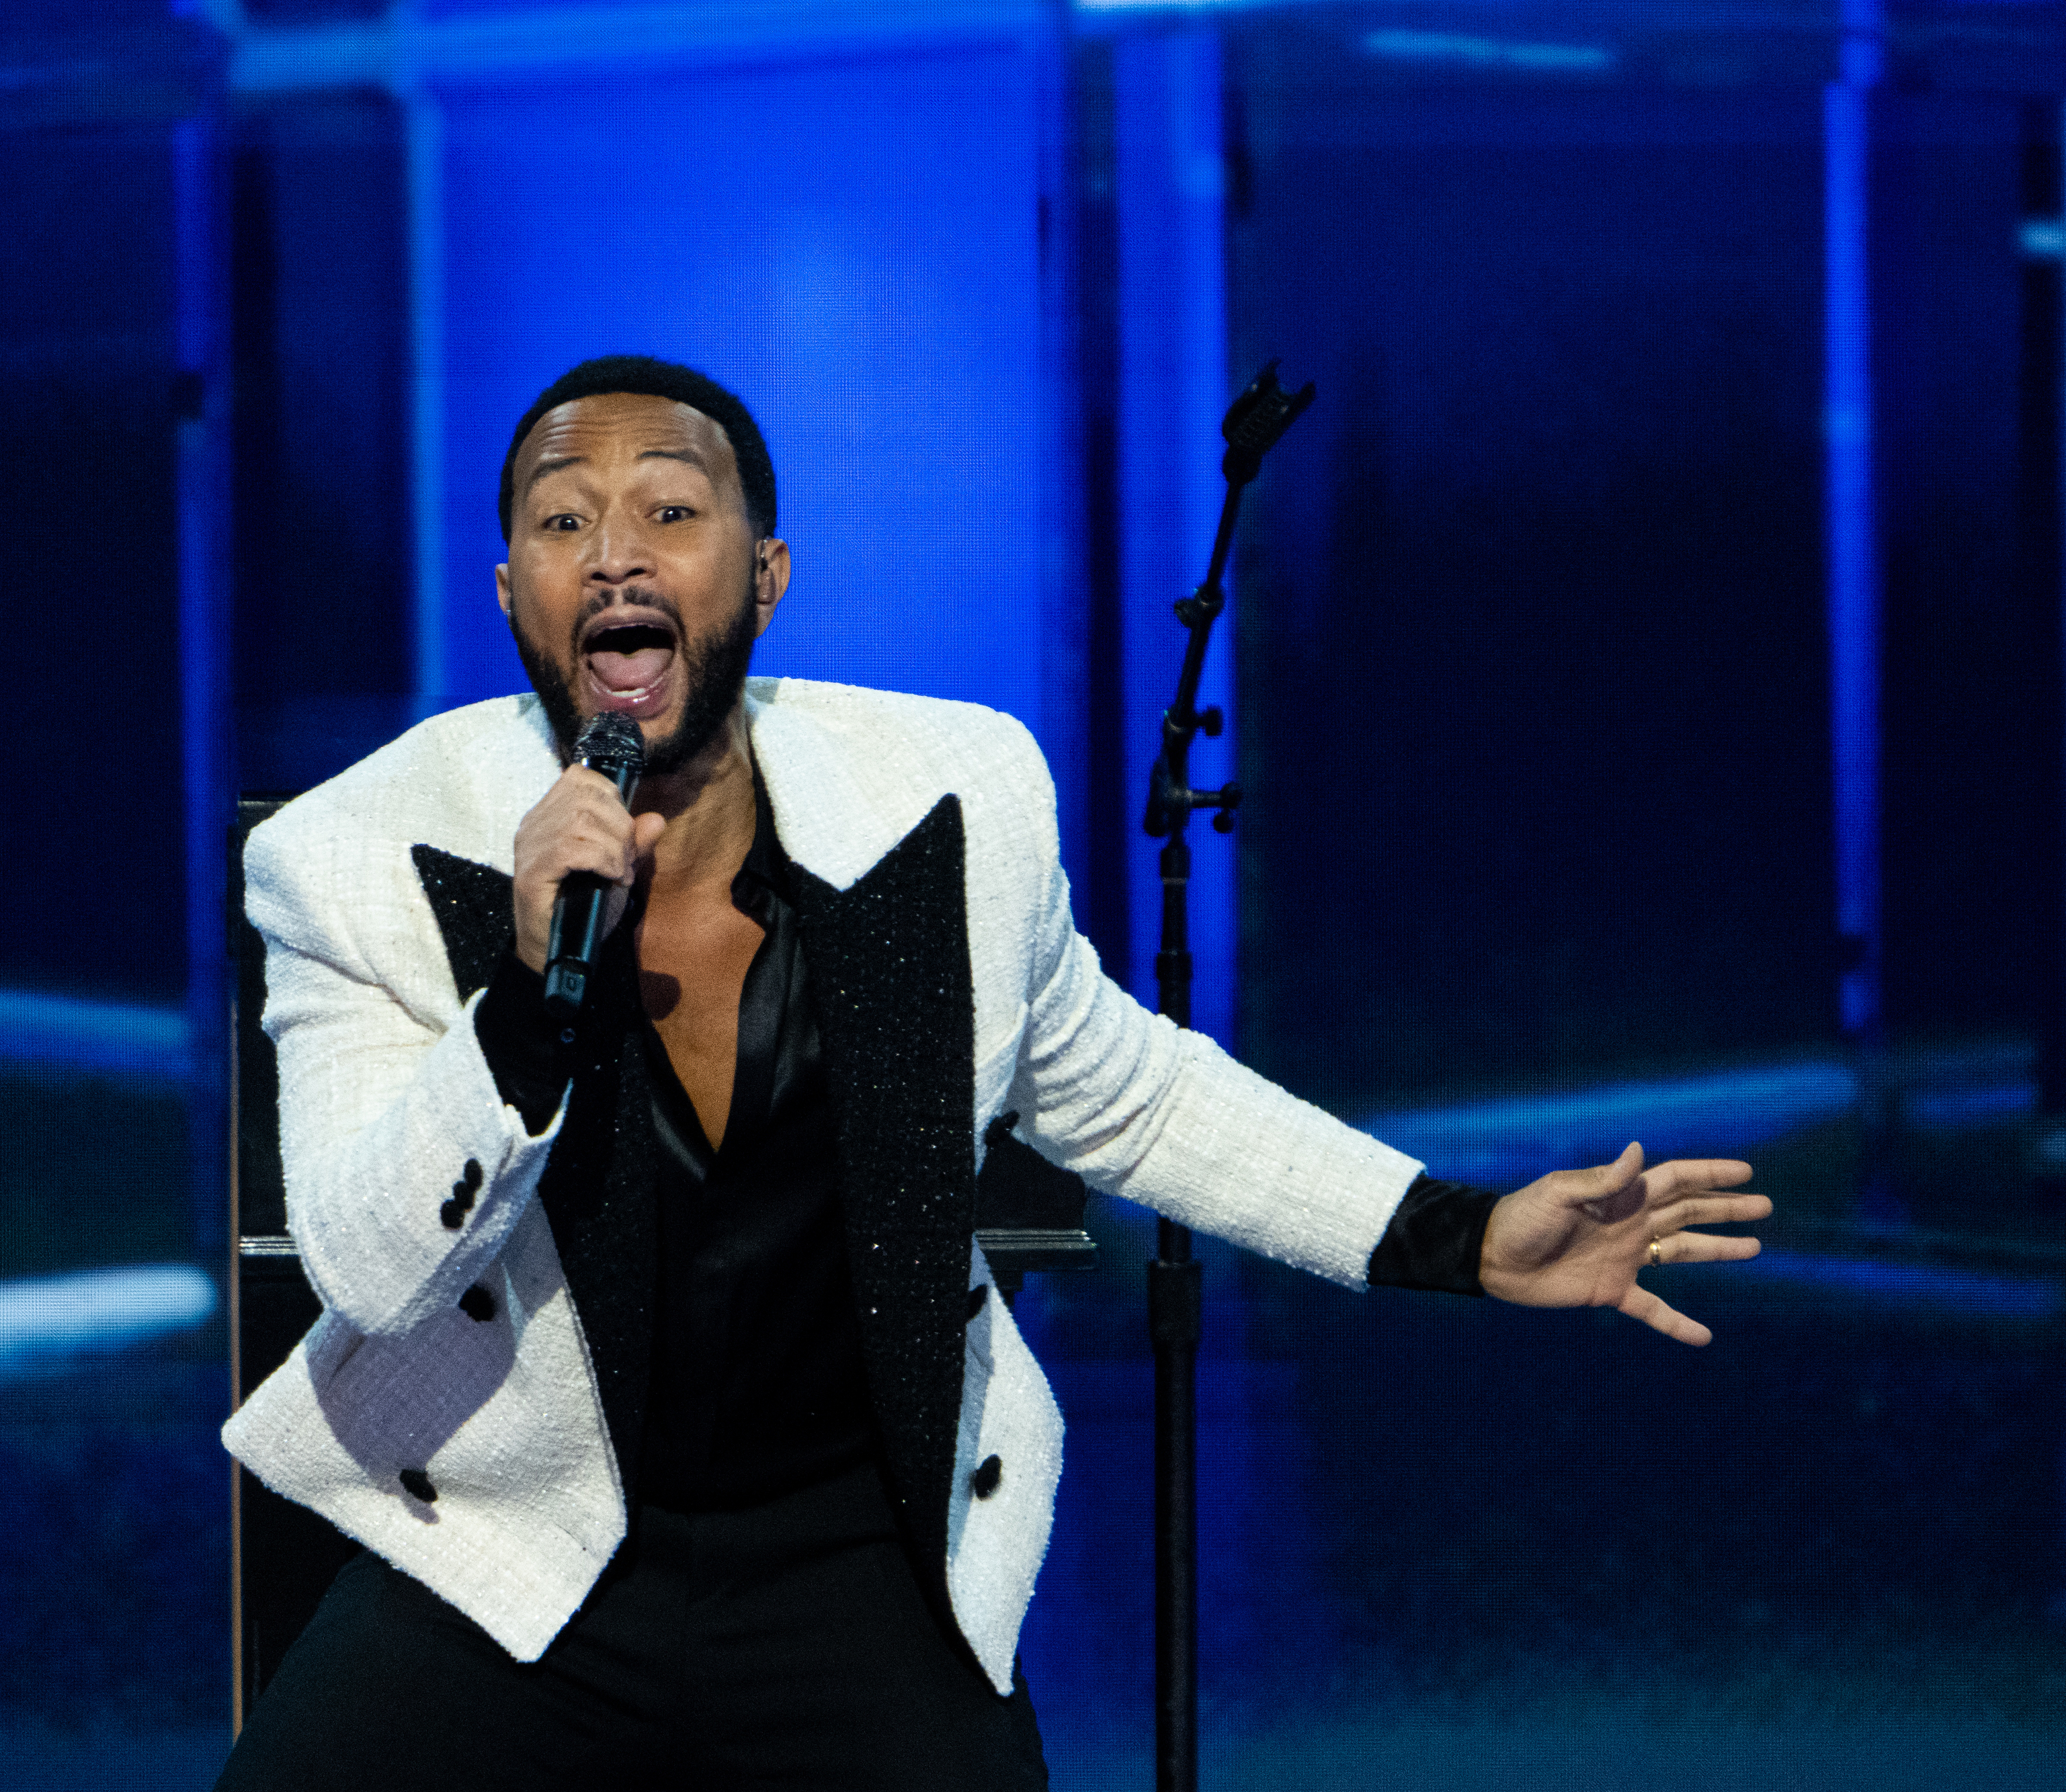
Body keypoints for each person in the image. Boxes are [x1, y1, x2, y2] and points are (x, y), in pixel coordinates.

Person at [214, 355, 1768, 1791]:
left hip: (850, 1553)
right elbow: (363, 1262)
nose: (615, 553)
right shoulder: (349, 858)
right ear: (510, 589)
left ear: (763, 573)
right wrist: (522, 1008)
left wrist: (1460, 1233)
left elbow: (1134, 1093)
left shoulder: (949, 794)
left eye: (669, 511)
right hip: (517, 1550)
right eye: (563, 520)